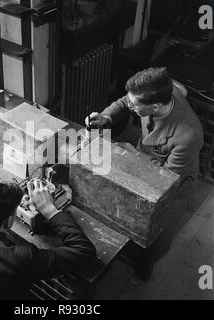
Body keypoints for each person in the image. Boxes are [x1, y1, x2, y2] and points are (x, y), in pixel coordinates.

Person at [86, 67, 204, 275]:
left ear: (155, 107)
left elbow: (166, 180)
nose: (129, 105)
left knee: (155, 237)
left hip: (173, 185)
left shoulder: (188, 135)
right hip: (148, 158)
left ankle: (144, 270)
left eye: (135, 105)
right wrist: (105, 117)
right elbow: (125, 101)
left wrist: (123, 151)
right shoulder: (151, 96)